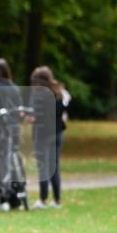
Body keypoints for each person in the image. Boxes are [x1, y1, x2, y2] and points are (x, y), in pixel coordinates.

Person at [29, 66, 68, 208]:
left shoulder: (39, 94)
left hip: (42, 134)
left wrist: (30, 118)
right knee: (55, 167)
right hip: (57, 133)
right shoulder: (59, 93)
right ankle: (57, 200)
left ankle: (43, 199)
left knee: (43, 167)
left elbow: (37, 116)